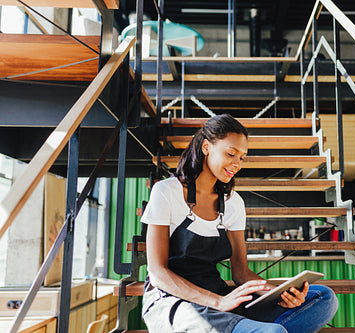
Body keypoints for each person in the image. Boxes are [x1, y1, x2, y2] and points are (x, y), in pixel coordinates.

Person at [141, 114, 338, 333]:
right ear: (206, 147)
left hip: (220, 297)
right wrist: (217, 302)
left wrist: (278, 293)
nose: (237, 164)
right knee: (274, 332)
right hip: (174, 301)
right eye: (230, 153)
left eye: (242, 157)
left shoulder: (233, 203)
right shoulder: (167, 191)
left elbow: (241, 273)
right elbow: (158, 273)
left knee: (323, 297)